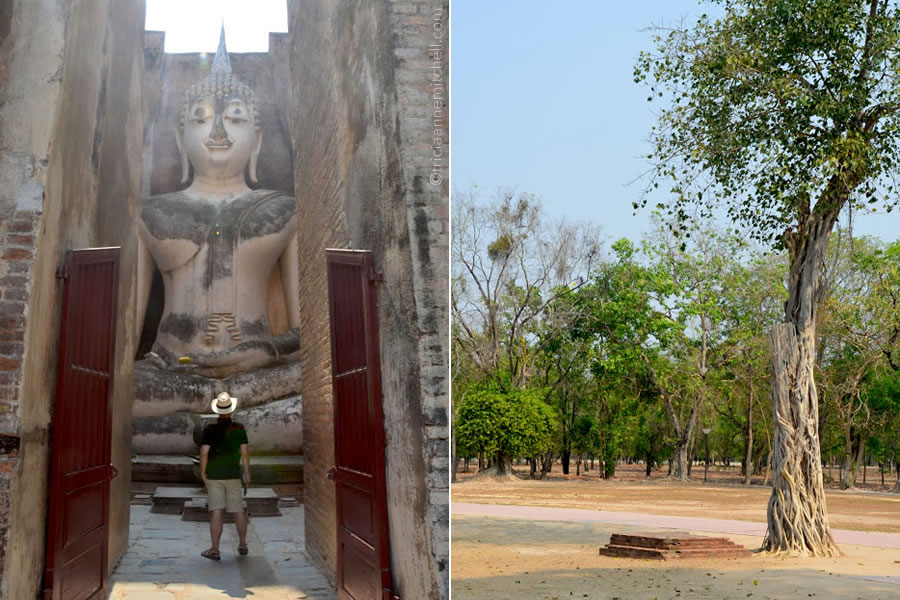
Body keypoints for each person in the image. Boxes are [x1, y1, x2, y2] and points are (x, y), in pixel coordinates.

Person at [199, 391, 251, 560]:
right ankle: (243, 545)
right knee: (238, 510)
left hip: (214, 475)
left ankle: (215, 550)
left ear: (217, 411)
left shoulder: (209, 429)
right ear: (231, 410)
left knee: (216, 511)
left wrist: (202, 472)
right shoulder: (239, 428)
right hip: (233, 474)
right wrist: (247, 474)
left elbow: (204, 452)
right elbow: (244, 452)